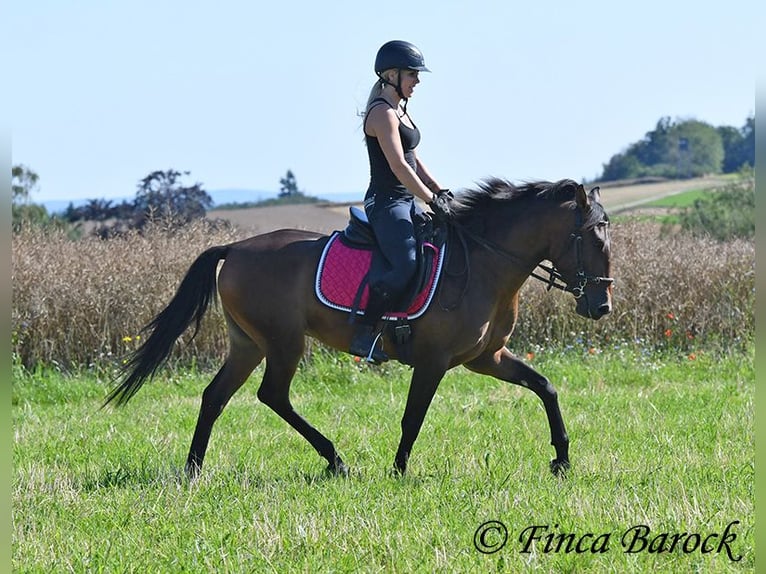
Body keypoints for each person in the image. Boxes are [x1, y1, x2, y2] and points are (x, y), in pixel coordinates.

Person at [349, 40, 452, 363]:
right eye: (412, 75)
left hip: (407, 200)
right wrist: (430, 200)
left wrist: (442, 191)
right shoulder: (381, 113)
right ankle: (365, 331)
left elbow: (415, 161)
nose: (417, 81)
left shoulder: (399, 112)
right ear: (391, 75)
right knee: (405, 261)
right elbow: (398, 166)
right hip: (386, 203)